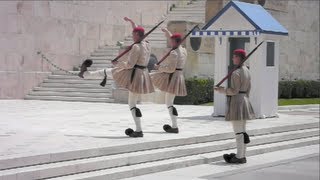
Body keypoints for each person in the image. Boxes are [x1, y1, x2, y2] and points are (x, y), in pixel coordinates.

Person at [78, 18, 154, 138]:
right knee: (131, 102)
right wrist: (132, 23)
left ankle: (139, 130)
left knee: (111, 73)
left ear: (138, 35)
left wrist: (117, 63)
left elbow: (129, 64)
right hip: (142, 74)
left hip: (133, 73)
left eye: (134, 34)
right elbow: (139, 31)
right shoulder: (147, 45)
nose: (132, 36)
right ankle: (139, 129)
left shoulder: (136, 47)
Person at [214, 49, 255, 164]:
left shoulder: (236, 73)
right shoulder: (247, 70)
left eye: (234, 56)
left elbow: (234, 90)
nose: (233, 58)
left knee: (238, 132)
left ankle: (239, 156)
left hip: (237, 102)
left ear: (239, 58)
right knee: (242, 131)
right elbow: (248, 89)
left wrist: (221, 90)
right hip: (245, 100)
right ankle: (242, 155)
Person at [151, 28, 187, 133]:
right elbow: (175, 42)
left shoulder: (174, 53)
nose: (170, 43)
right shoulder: (183, 50)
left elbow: (171, 69)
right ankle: (174, 125)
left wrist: (159, 67)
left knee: (169, 103)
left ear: (176, 42)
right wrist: (168, 33)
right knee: (169, 102)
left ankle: (175, 126)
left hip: (173, 77)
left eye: (171, 42)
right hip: (179, 76)